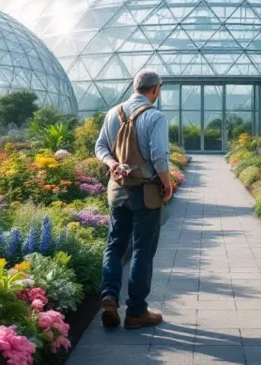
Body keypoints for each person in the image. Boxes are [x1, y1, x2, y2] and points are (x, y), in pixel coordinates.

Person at [94, 69, 173, 329]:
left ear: (134, 86)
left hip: (117, 190)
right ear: (155, 89)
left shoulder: (112, 113)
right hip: (145, 192)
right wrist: (167, 184)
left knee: (115, 245)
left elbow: (100, 146)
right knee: (142, 249)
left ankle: (109, 297)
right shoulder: (154, 116)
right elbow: (159, 156)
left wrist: (112, 163)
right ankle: (137, 311)